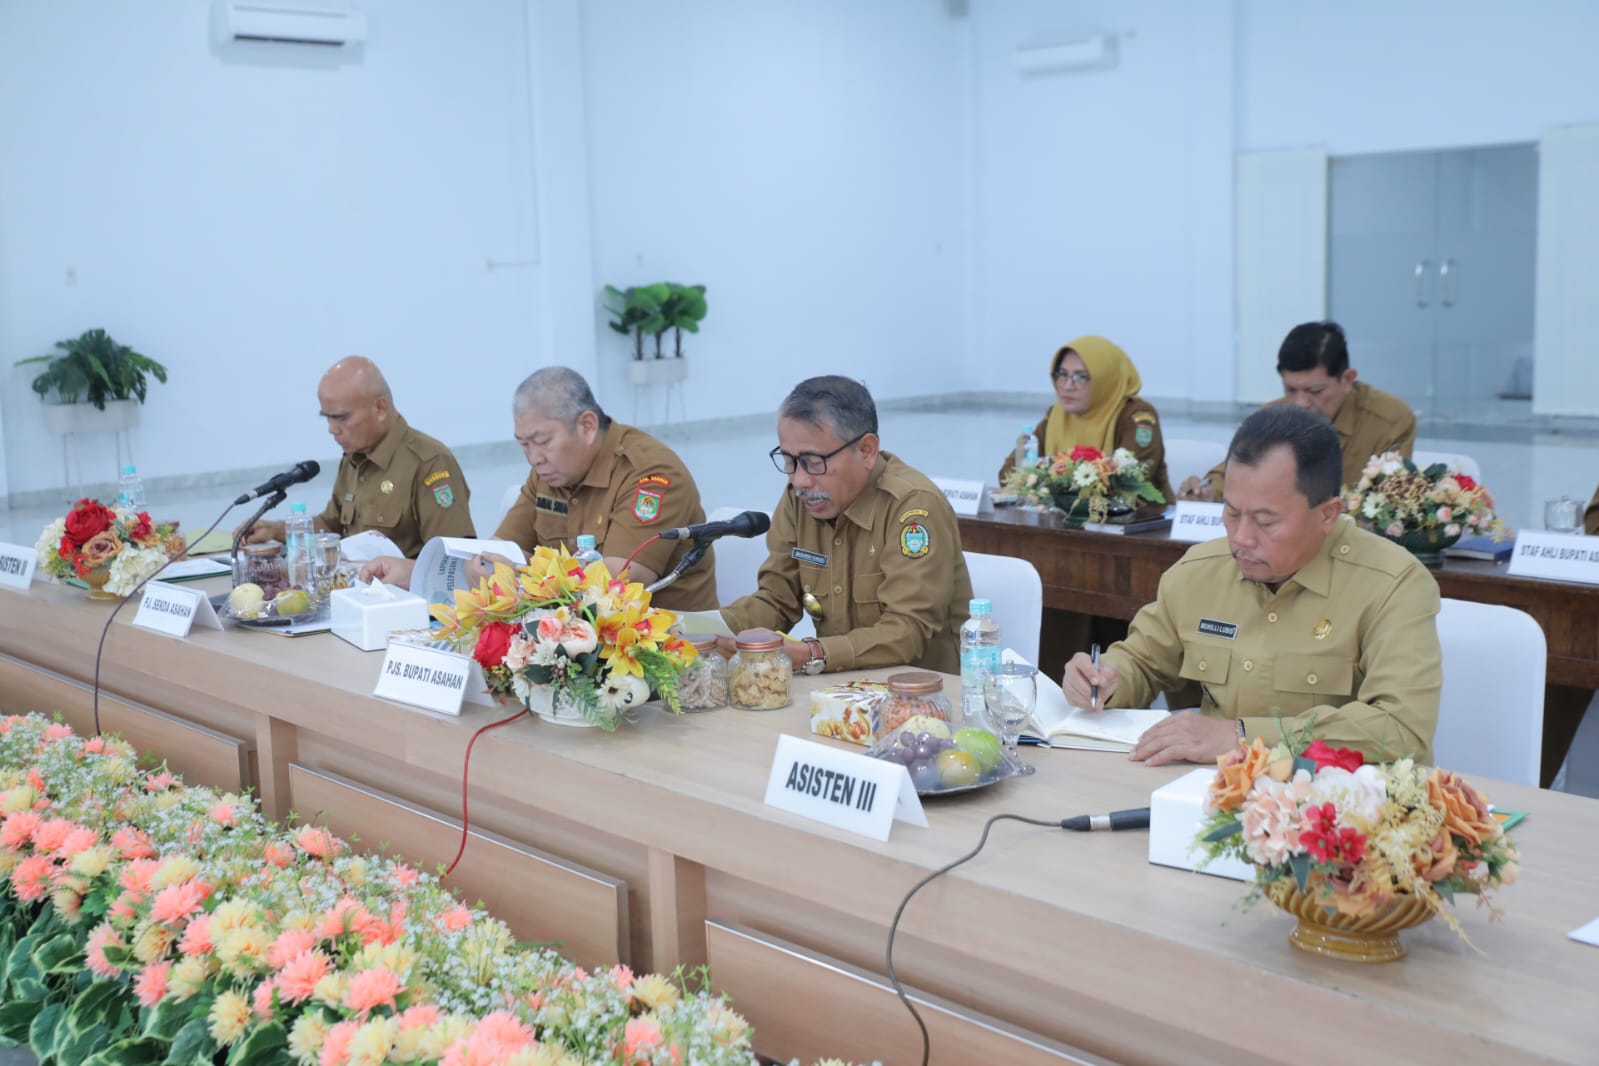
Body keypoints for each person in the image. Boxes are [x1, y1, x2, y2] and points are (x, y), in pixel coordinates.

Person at [1064, 405, 1441, 766]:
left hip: (1335, 798)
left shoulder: (1393, 584)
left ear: (1327, 514)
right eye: (1231, 513)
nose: (1241, 538)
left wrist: (1244, 736)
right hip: (1211, 791)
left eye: (1265, 521)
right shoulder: (1199, 571)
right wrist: (1106, 678)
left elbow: (1400, 727)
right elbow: (1142, 661)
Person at [361, 367, 718, 611]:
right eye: (523, 445)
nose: (534, 458)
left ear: (587, 425)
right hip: (569, 642)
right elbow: (496, 552)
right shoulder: (550, 473)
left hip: (666, 649)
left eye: (542, 441)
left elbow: (618, 582)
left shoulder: (649, 474)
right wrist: (415, 573)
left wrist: (518, 577)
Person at [720, 375, 973, 675]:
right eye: (789, 461)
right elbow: (777, 600)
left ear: (866, 450)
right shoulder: (800, 500)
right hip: (841, 688)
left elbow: (908, 630)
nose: (799, 480)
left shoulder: (912, 506)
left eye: (814, 462)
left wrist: (814, 653)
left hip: (923, 691)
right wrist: (706, 630)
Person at [238, 356, 474, 557]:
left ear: (380, 408)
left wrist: (404, 571)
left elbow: (454, 559)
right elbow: (332, 525)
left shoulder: (429, 463)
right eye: (327, 418)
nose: (332, 429)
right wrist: (277, 530)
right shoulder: (354, 458)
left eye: (341, 418)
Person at [1178, 321, 1415, 501]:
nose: (1301, 403)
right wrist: (1206, 492)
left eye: (1315, 391)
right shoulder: (1270, 417)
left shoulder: (1389, 420)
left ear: (1347, 379)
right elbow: (1231, 473)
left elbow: (1389, 504)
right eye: (1290, 389)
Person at [998, 335, 1174, 504]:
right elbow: (1009, 474)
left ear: (1105, 379)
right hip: (1060, 519)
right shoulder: (1057, 414)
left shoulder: (1136, 416)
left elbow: (1129, 483)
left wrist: (1045, 480)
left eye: (1080, 377)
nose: (1068, 386)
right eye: (1062, 374)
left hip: (1141, 521)